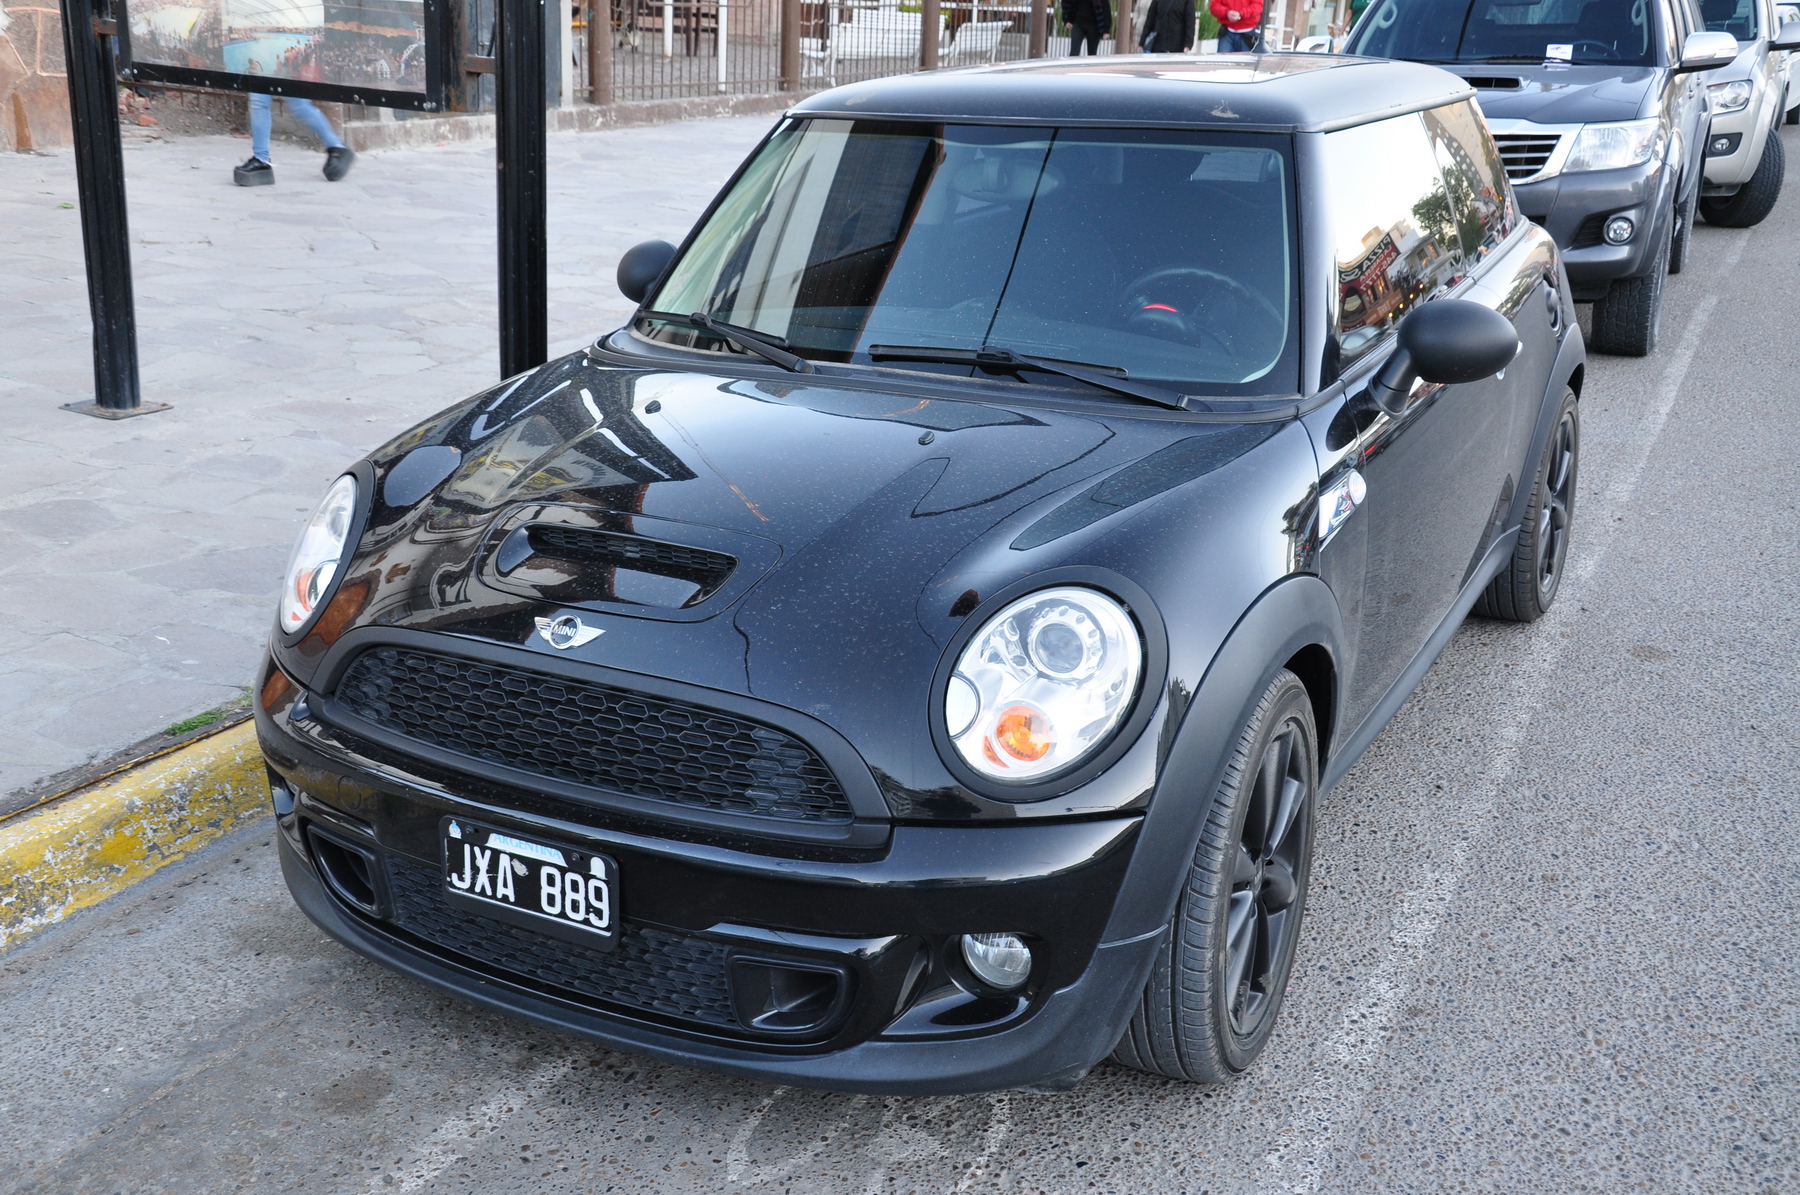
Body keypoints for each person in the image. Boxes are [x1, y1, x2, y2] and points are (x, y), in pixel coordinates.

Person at [232, 63, 356, 187]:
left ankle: (337, 146)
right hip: (272, 63)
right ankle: (261, 160)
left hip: (291, 63)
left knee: (299, 106)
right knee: (259, 100)